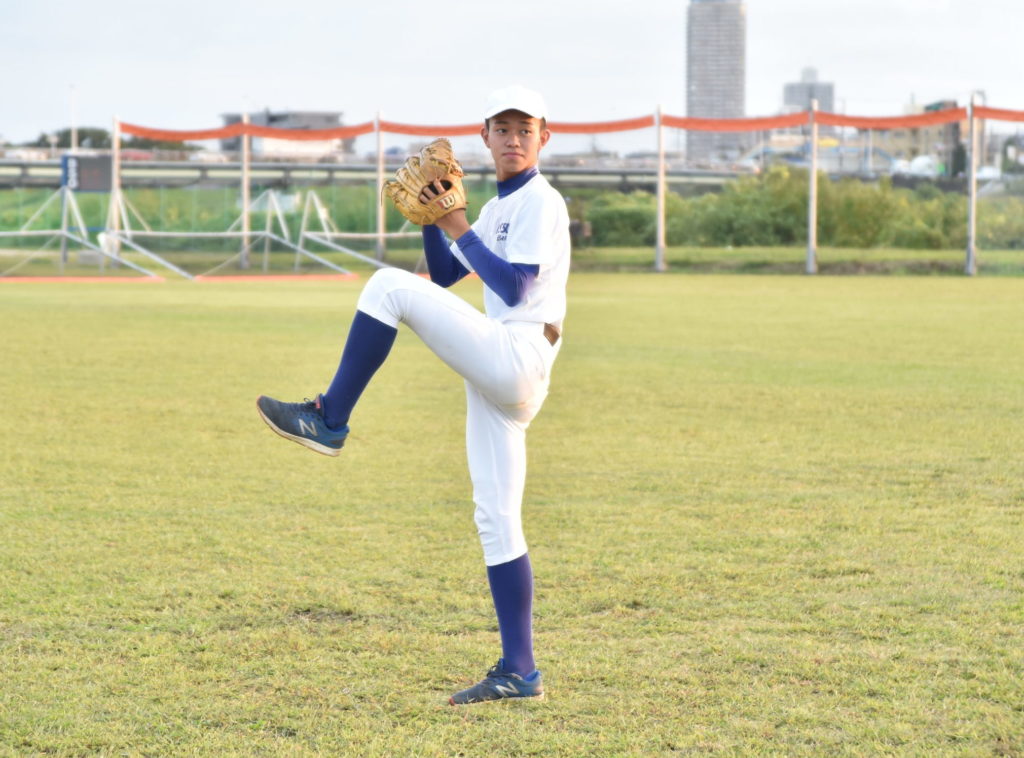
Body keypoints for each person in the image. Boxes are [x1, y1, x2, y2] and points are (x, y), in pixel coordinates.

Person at [256, 85, 570, 705]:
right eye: (501, 129)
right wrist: (436, 221)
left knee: (384, 287)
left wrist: (453, 220)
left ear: (543, 138)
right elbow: (450, 271)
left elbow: (510, 285)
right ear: (484, 137)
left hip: (518, 350)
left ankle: (329, 418)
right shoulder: (496, 209)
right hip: (501, 372)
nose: (512, 139)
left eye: (523, 129)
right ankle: (520, 670)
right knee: (496, 518)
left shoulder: (542, 200)